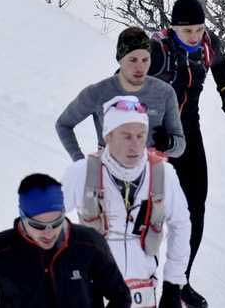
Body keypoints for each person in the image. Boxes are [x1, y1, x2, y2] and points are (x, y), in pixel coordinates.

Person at [147, 0, 225, 308]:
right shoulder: (157, 49)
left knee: (195, 207)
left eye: (200, 29)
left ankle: (179, 281)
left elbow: (222, 65)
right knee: (142, 209)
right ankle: (127, 278)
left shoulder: (207, 43)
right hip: (153, 135)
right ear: (174, 29)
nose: (196, 36)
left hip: (188, 132)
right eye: (189, 32)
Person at [63, 96, 192, 308]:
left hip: (143, 289)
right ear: (108, 136)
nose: (135, 145)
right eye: (126, 136)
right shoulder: (82, 172)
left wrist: (173, 283)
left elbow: (181, 224)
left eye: (141, 136)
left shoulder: (162, 174)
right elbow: (45, 221)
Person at [0, 173, 132, 307]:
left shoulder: (89, 243)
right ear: (23, 218)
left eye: (56, 223)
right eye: (38, 226)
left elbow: (120, 295)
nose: (48, 233)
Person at [56, 26, 185, 162]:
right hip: (107, 175)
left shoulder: (165, 92)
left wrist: (169, 143)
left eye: (145, 60)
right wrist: (79, 161)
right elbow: (63, 124)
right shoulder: (98, 92)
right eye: (133, 60)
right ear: (120, 59)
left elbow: (180, 146)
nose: (140, 67)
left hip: (151, 176)